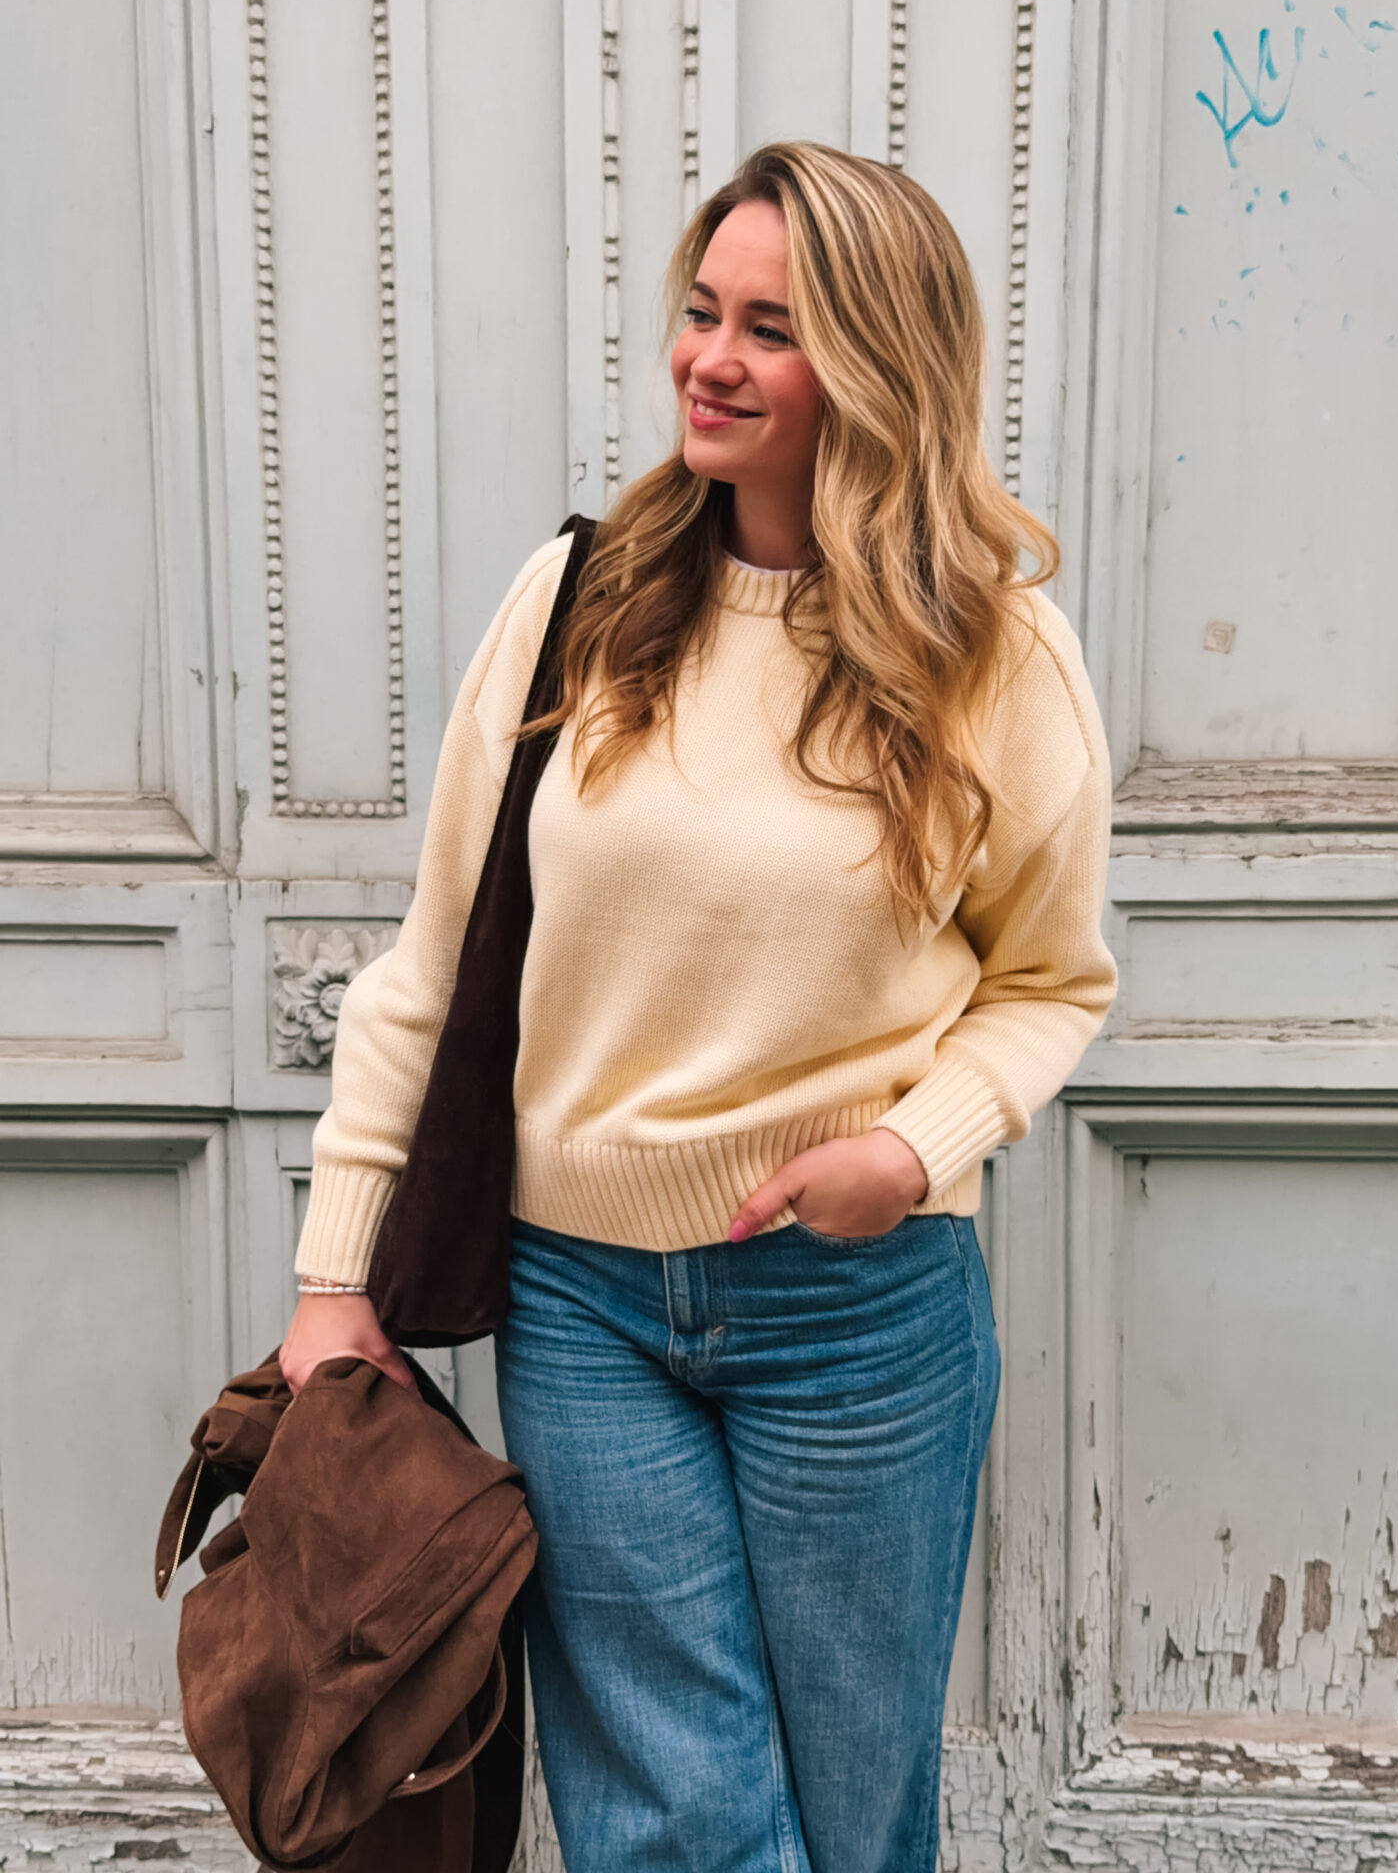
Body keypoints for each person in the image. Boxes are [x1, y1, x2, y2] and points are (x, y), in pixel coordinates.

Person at [280, 141, 1116, 1873]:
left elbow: (1048, 983)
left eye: (770, 330)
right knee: (675, 1820)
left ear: (878, 364)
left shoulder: (996, 654)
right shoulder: (578, 602)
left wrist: (913, 1147)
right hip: (582, 1308)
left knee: (853, 1818)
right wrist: (332, 1281)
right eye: (700, 310)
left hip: (859, 1314)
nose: (707, 361)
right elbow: (434, 965)